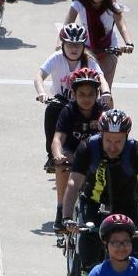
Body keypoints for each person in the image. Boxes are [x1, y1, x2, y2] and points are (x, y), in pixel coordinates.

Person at [62, 109, 138, 276]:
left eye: (118, 141)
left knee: (133, 257)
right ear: (101, 134)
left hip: (127, 204)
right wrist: (67, 217)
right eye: (108, 141)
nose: (113, 147)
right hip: (93, 202)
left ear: (126, 137)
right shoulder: (87, 147)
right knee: (89, 254)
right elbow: (74, 182)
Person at [33, 22, 104, 171]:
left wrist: (107, 93)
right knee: (52, 109)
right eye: (70, 44)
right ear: (63, 44)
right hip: (61, 102)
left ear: (84, 46)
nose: (73, 49)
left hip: (85, 103)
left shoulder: (89, 61)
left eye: (78, 45)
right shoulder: (56, 58)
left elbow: (101, 78)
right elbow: (39, 76)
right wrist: (42, 93)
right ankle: (52, 155)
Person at [49, 67, 110, 229]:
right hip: (73, 153)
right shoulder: (68, 111)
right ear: (74, 94)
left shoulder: (103, 112)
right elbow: (57, 139)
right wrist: (57, 155)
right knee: (63, 164)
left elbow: (111, 137)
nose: (86, 99)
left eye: (91, 94)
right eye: (81, 94)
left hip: (95, 154)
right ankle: (61, 208)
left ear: (97, 94)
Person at [68, 0, 134, 87]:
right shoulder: (79, 3)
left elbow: (121, 24)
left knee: (105, 90)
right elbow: (67, 24)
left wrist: (128, 43)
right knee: (81, 87)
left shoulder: (112, 5)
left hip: (108, 48)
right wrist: (59, 44)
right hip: (86, 48)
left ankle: (106, 105)